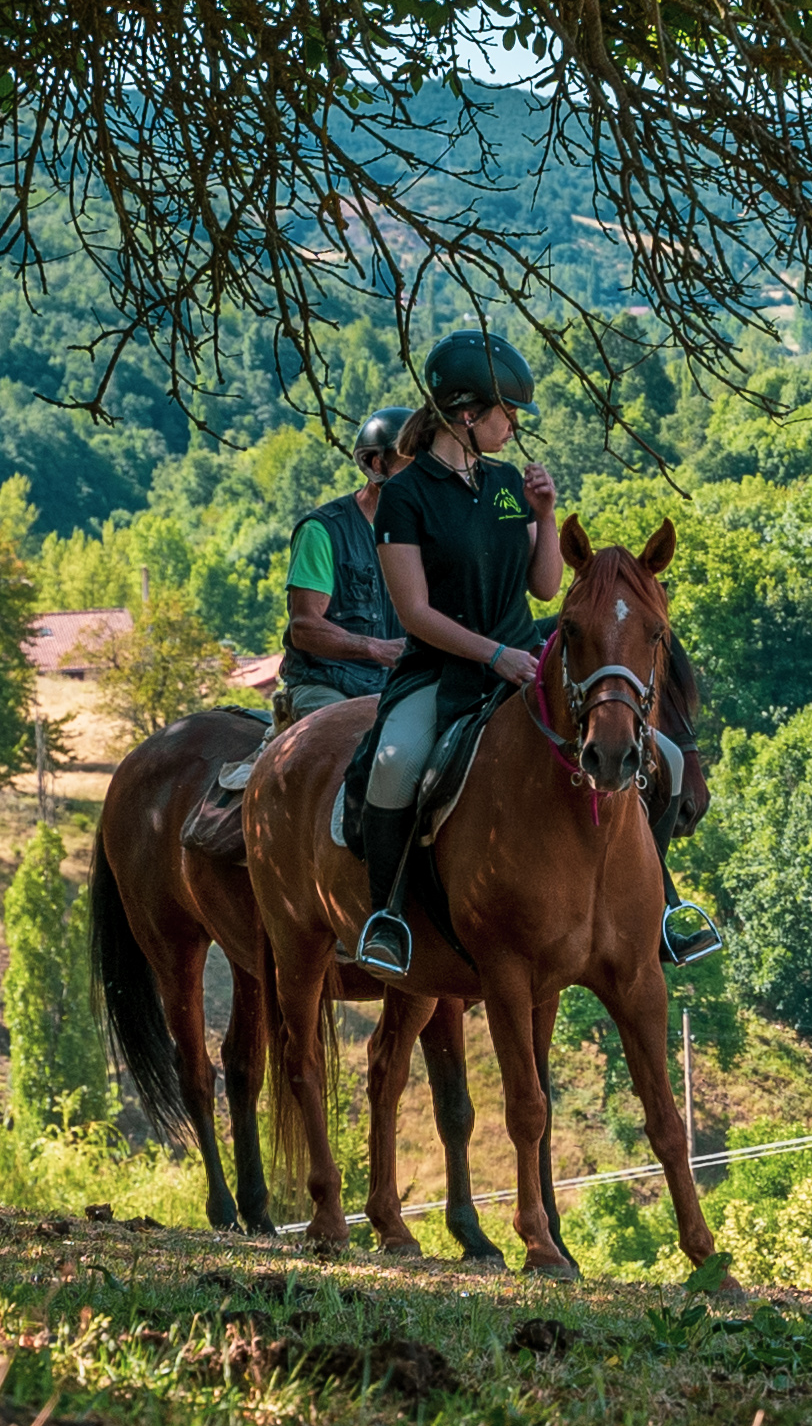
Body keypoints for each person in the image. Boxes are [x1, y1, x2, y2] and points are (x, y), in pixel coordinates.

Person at [342, 334, 720, 980]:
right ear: (467, 413)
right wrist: (493, 656)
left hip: (525, 661)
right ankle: (390, 917)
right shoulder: (405, 498)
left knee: (672, 763)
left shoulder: (508, 483)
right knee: (395, 763)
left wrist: (544, 517)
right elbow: (414, 614)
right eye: (506, 413)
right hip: (445, 667)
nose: (514, 425)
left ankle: (660, 909)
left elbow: (545, 587)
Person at [271, 412, 406, 713]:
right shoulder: (322, 531)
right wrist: (375, 648)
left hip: (396, 686)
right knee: (344, 747)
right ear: (376, 465)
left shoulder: (423, 537)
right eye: (411, 466)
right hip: (326, 684)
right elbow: (304, 627)